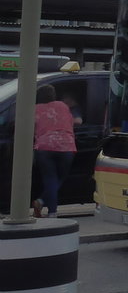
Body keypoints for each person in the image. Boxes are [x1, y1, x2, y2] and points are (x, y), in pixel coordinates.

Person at [33, 83, 80, 218]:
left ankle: (51, 211)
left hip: (44, 146)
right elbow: (71, 122)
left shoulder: (35, 109)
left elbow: (32, 127)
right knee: (60, 178)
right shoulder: (63, 106)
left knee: (50, 179)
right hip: (66, 146)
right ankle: (41, 202)